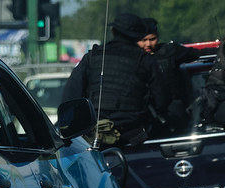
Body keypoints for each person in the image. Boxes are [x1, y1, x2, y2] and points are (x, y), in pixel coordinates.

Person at [61, 12, 170, 146]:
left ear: (113, 31)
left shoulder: (92, 57)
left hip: (94, 139)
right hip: (133, 138)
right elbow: (162, 100)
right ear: (138, 36)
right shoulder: (146, 60)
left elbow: (71, 96)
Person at [139, 16, 203, 135]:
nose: (148, 44)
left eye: (152, 39)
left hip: (173, 112)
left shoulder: (169, 51)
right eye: (143, 40)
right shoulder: (133, 58)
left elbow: (198, 54)